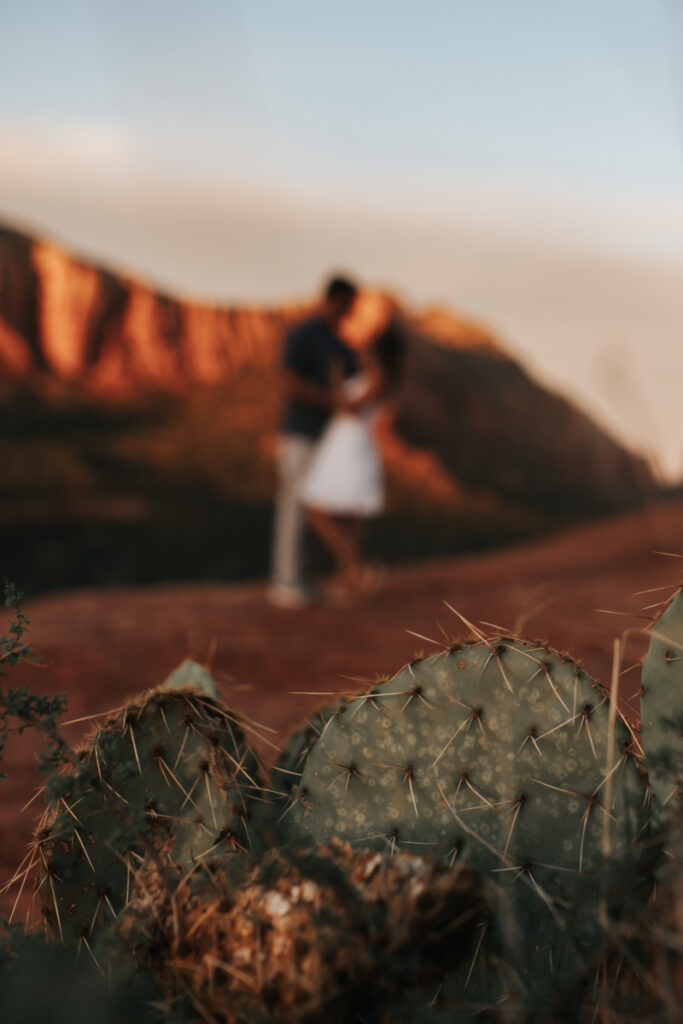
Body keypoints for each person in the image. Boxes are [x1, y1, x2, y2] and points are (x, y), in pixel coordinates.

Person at [268, 276, 358, 608]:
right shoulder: (304, 334)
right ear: (335, 300)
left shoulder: (339, 344)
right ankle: (286, 581)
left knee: (314, 505)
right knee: (296, 503)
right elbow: (288, 381)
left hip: (326, 439)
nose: (351, 311)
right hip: (299, 432)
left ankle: (300, 577)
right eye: (349, 305)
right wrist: (331, 401)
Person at [299, 321, 405, 600]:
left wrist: (334, 378)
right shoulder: (373, 373)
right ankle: (349, 575)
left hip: (350, 447)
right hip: (343, 444)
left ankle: (356, 568)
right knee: (345, 515)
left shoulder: (378, 377)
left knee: (316, 508)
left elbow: (350, 409)